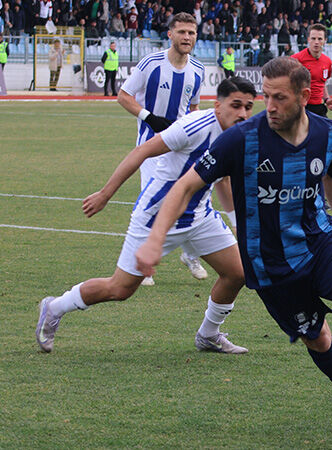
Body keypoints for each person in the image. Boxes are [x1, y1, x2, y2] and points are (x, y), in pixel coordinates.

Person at [135, 56, 332, 432]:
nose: (269, 107)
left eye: (280, 98)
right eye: (266, 97)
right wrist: (155, 239)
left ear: (305, 96)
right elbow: (185, 185)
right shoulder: (241, 140)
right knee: (318, 338)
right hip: (269, 263)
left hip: (319, 240)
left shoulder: (329, 133)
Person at [36, 77, 257, 354]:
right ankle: (54, 307)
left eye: (248, 107)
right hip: (155, 217)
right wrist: (106, 193)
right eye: (236, 105)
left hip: (199, 217)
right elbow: (142, 151)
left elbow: (223, 180)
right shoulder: (193, 126)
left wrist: (237, 224)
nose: (243, 114)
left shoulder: (239, 135)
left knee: (237, 273)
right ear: (218, 105)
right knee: (120, 289)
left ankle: (208, 335)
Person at [117, 12, 212, 286]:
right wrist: (149, 117)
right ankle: (140, 262)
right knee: (151, 203)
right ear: (170, 34)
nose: (187, 37)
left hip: (182, 145)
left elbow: (193, 108)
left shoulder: (197, 70)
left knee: (191, 198)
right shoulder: (152, 64)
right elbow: (124, 96)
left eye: (191, 33)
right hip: (150, 145)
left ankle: (190, 254)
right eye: (181, 32)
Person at [291, 23, 332, 117]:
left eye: (320, 39)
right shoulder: (296, 60)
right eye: (313, 38)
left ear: (325, 41)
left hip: (319, 107)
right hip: (302, 108)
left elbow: (322, 83)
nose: (316, 42)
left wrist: (327, 99)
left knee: (329, 131)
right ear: (308, 40)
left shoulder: (327, 62)